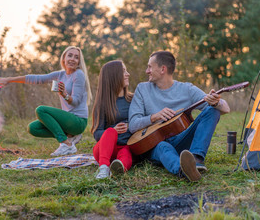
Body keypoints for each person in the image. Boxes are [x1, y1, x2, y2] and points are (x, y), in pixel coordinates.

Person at [129, 51, 230, 182]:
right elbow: (133, 125)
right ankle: (184, 170)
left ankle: (196, 159)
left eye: (149, 67)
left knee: (213, 110)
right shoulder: (142, 89)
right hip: (154, 145)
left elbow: (225, 108)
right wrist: (154, 117)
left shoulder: (187, 89)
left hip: (181, 141)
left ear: (162, 69)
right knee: (163, 147)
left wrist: (216, 102)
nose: (146, 70)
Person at [0, 46, 92, 156]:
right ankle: (70, 136)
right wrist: (10, 80)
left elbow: (76, 102)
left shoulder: (78, 74)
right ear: (64, 58)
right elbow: (36, 78)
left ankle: (66, 144)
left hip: (78, 121)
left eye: (76, 57)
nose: (72, 59)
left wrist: (64, 95)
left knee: (41, 110)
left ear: (79, 62)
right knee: (33, 128)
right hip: (68, 120)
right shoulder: (60, 74)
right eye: (70, 55)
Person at [92, 60, 133, 179]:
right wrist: (113, 129)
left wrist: (131, 125)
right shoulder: (103, 103)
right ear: (114, 76)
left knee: (126, 154)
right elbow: (97, 133)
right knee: (110, 132)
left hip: (125, 145)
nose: (128, 74)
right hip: (104, 150)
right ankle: (104, 168)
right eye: (124, 71)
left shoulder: (133, 99)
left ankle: (118, 169)